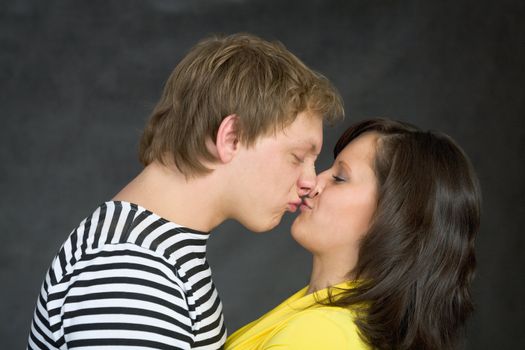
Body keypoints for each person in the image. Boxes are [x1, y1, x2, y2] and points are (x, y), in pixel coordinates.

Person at [27, 33, 344, 350]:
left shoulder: (156, 253)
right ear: (231, 138)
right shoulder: (133, 271)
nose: (310, 181)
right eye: (297, 157)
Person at [225, 118, 481, 350]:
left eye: (339, 177)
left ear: (394, 216)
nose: (313, 183)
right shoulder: (328, 318)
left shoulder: (321, 336)